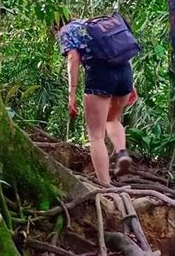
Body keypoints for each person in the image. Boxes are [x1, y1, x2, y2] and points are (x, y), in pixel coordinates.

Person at [57, 15, 137, 185]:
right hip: (124, 73)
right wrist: (131, 85)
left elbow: (73, 58)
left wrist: (72, 94)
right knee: (112, 119)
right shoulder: (95, 23)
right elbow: (120, 49)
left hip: (100, 76)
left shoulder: (67, 30)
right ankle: (122, 152)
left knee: (96, 135)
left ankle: (105, 185)